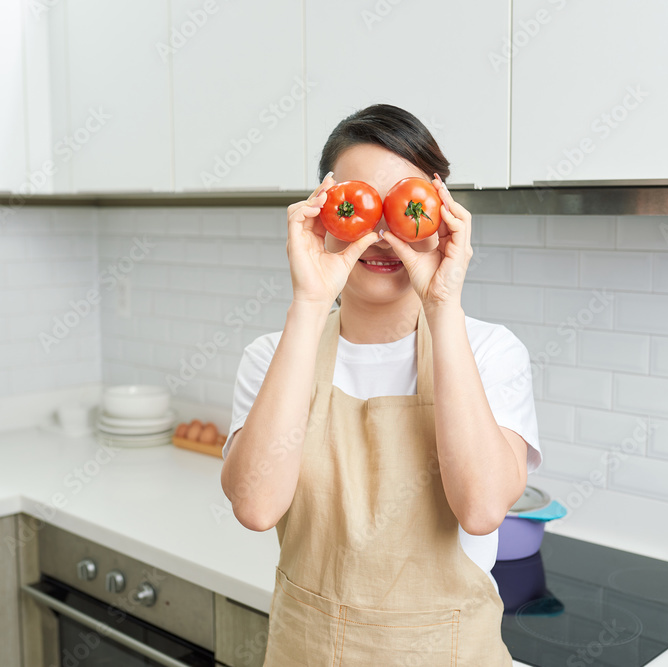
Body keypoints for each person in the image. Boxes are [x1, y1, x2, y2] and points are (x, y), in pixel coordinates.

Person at [219, 104, 542, 665]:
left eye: (403, 204)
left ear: (439, 214)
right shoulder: (273, 355)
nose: (382, 233)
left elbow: (483, 507)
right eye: (359, 205)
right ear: (325, 212)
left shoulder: (490, 351)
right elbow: (255, 505)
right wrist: (310, 301)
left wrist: (443, 308)